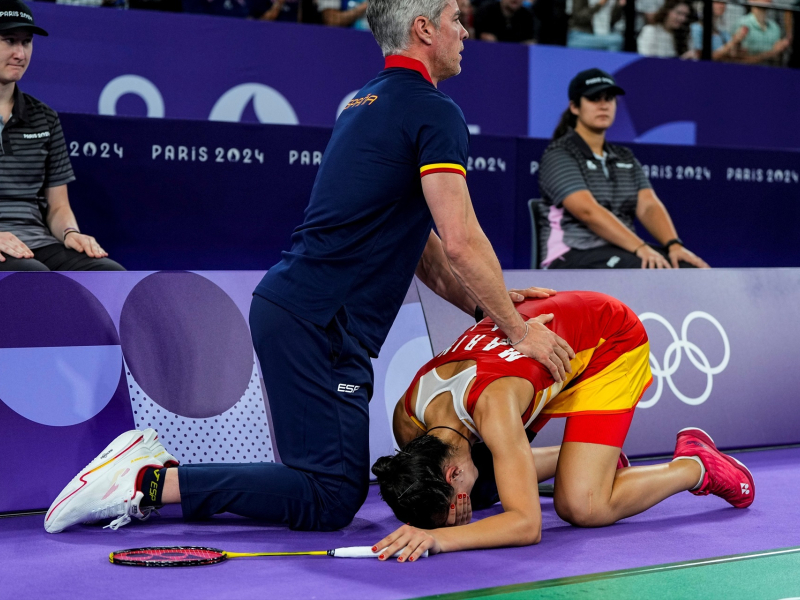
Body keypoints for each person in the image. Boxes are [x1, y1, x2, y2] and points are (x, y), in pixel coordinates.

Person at [45, 0, 574, 534]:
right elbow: (462, 241)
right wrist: (516, 329)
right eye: (456, 19)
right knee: (330, 497)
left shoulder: (365, 102)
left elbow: (425, 249)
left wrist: (488, 309)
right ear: (424, 29)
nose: (466, 31)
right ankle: (150, 481)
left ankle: (150, 475)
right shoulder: (434, 111)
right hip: (321, 325)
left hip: (296, 312)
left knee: (317, 482)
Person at [370, 291, 755, 561]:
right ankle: (589, 464)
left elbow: (526, 526)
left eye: (456, 504)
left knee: (582, 506)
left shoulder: (495, 407)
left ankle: (696, 465)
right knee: (487, 485)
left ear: (452, 471)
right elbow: (458, 478)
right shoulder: (409, 421)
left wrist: (438, 538)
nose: (459, 512)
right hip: (543, 337)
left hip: (607, 339)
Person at [536, 68, 708, 270]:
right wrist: (640, 247)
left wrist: (674, 245)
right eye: (594, 98)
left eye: (609, 98)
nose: (603, 105)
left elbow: (648, 206)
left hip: (620, 250)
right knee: (649, 268)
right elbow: (587, 212)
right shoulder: (559, 153)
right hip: (570, 254)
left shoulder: (624, 156)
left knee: (690, 269)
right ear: (574, 107)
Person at [0, 0, 124, 272]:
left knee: (109, 274)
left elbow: (57, 207)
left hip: (37, 243)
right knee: (33, 276)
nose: (20, 54)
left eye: (27, 42)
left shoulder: (45, 117)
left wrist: (70, 233)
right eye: (9, 40)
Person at [731, 2, 791, 67]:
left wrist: (780, 50)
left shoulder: (775, 28)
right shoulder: (741, 24)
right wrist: (772, 52)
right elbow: (739, 61)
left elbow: (777, 61)